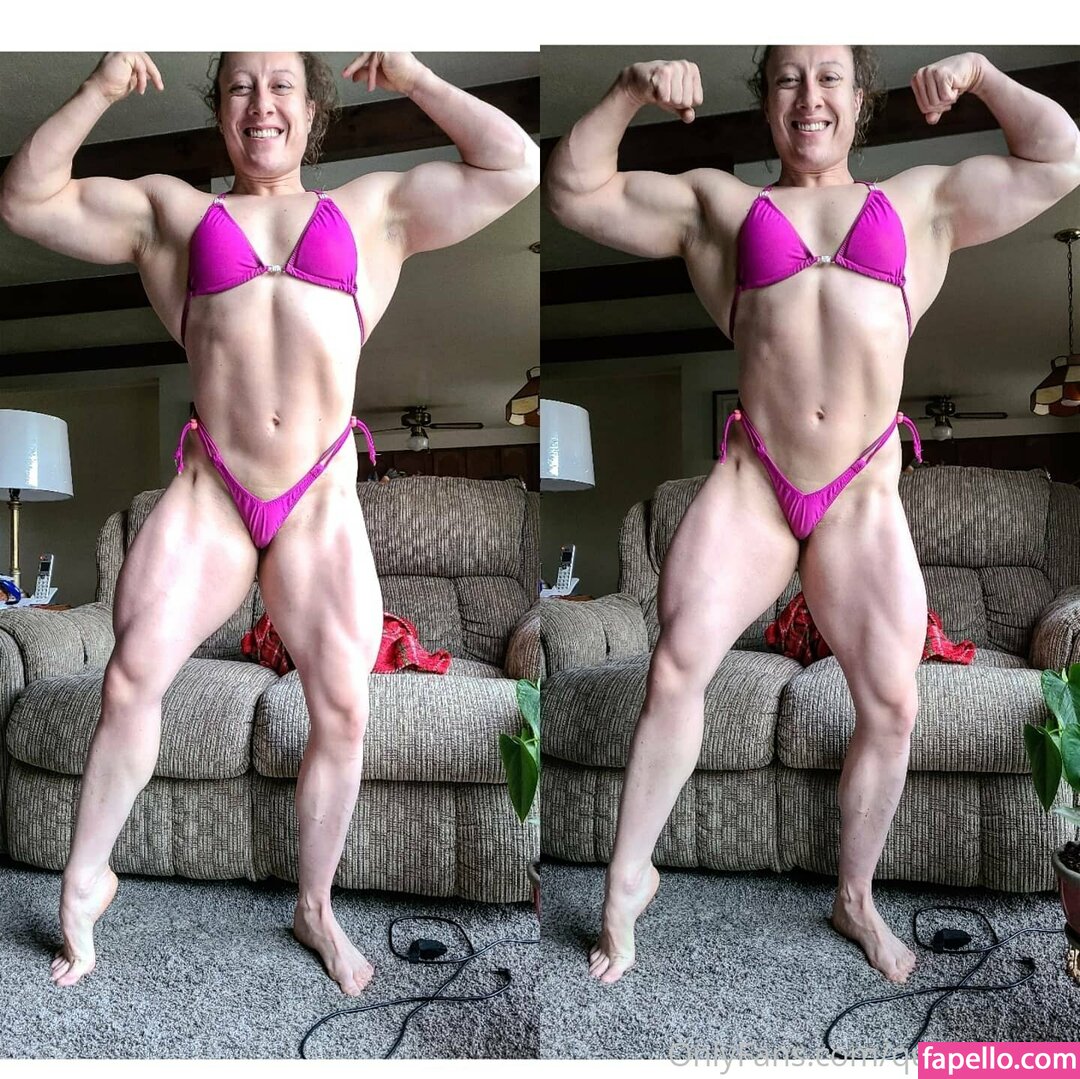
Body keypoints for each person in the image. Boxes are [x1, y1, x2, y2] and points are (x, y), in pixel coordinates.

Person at [0, 50, 538, 994]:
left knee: (344, 707)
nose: (262, 103)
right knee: (129, 676)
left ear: (313, 106)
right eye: (241, 86)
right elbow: (25, 199)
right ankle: (85, 881)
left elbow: (515, 165)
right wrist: (97, 90)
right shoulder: (175, 214)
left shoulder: (372, 211)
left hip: (318, 498)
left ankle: (315, 906)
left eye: (282, 83)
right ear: (220, 108)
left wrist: (414, 77)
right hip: (213, 490)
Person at [544, 47, 1080, 985]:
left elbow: (1060, 156)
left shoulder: (919, 202)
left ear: (859, 99)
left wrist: (984, 77)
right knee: (676, 664)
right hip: (756, 481)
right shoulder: (722, 206)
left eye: (830, 76)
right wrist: (630, 88)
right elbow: (573, 192)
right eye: (789, 77)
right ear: (767, 101)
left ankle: (855, 896)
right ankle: (628, 880)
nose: (810, 96)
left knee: (895, 702)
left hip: (862, 489)